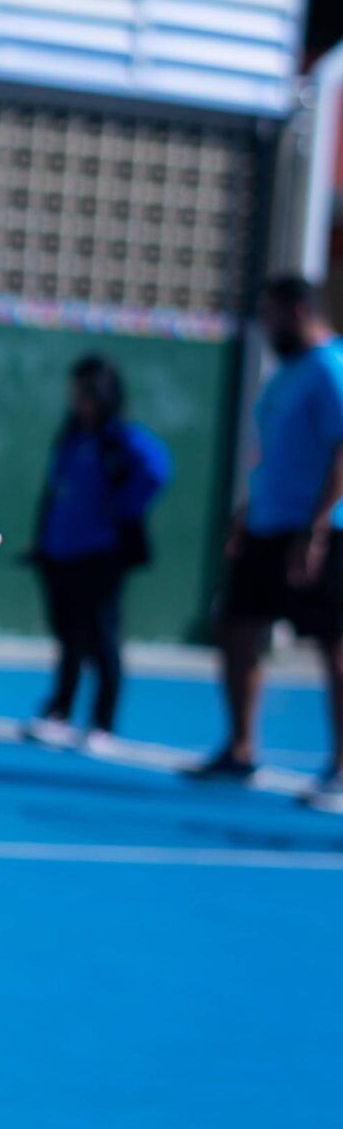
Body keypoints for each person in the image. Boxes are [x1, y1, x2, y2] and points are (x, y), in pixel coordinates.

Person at [189, 274, 343, 806]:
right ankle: (240, 749)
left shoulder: (332, 368)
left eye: (272, 314)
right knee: (235, 628)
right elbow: (280, 456)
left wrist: (317, 528)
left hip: (318, 531)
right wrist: (248, 511)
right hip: (267, 526)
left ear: (298, 311)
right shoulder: (287, 375)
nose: (265, 325)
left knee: (335, 645)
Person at [24, 355, 171, 749]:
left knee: (102, 635)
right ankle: (60, 712)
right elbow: (56, 490)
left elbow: (157, 470)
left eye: (87, 392)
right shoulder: (72, 437)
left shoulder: (120, 439)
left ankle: (102, 723)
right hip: (61, 551)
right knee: (68, 636)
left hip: (101, 554)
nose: (79, 400)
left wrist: (121, 507)